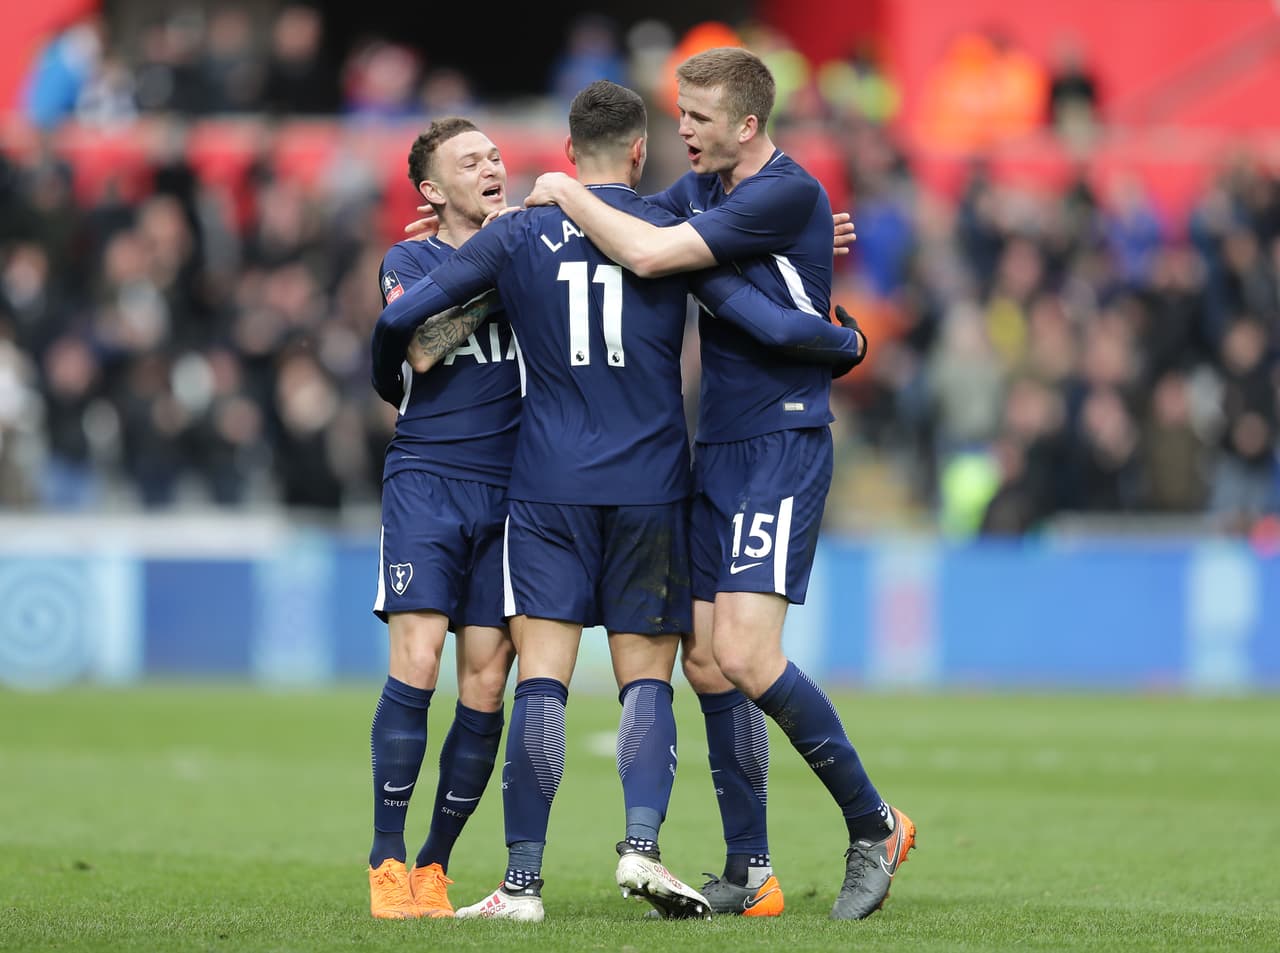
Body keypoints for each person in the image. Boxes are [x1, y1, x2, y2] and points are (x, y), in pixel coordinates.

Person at [371, 80, 864, 922]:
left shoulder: (519, 234)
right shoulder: (672, 234)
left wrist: (406, 343)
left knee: (543, 682)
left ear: (565, 154)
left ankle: (520, 883)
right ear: (640, 153)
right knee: (651, 681)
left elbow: (407, 326)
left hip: (549, 484)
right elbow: (763, 304)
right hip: (655, 484)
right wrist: (828, 293)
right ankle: (643, 843)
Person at [523, 46, 915, 920]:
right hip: (719, 448)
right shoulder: (709, 191)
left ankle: (874, 822)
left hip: (781, 439)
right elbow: (622, 230)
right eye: (678, 115)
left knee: (744, 652)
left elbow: (654, 255)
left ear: (746, 123)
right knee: (704, 660)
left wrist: (561, 188)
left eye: (697, 118)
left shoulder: (784, 191)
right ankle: (750, 868)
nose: (681, 131)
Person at [366, 117, 521, 920]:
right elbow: (421, 346)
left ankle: (434, 865)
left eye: (495, 155)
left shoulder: (535, 246)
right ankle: (385, 859)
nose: (492, 166)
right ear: (433, 190)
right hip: (428, 477)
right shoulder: (411, 258)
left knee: (488, 679)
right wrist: (498, 264)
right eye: (471, 160)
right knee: (419, 658)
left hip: (513, 488)